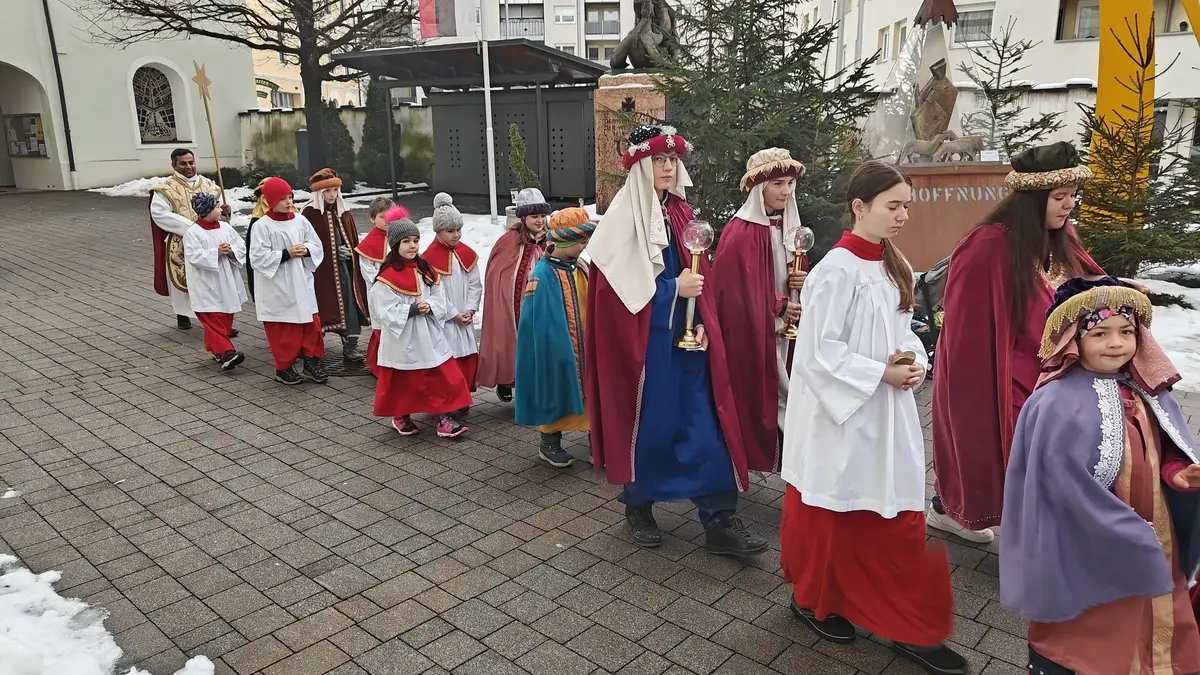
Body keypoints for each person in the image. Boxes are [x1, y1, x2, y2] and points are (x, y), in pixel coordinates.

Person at [779, 161, 966, 675]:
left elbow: (904, 329)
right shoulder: (834, 271)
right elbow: (817, 353)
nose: (903, 215)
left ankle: (902, 617)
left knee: (891, 504)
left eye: (907, 206)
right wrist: (879, 373)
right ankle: (815, 600)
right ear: (859, 207)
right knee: (835, 507)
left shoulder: (893, 263)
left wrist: (914, 360)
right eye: (893, 206)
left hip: (886, 410)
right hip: (839, 415)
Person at [1001, 276, 1200, 675]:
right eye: (1100, 333)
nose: (1116, 343)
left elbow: (1165, 448)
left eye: (1127, 332)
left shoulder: (1148, 392)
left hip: (1158, 532)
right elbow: (1060, 485)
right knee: (1097, 620)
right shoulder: (1054, 402)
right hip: (1088, 539)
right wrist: (1123, 530)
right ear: (1074, 340)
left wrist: (1178, 473)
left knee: (1155, 608)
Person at [585, 124, 767, 556]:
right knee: (653, 428)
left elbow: (701, 274)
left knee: (707, 426)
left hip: (690, 348)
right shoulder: (620, 222)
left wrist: (701, 320)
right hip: (647, 352)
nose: (668, 167)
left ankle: (720, 518)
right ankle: (639, 504)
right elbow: (613, 297)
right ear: (641, 165)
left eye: (672, 160)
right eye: (659, 160)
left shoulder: (682, 213)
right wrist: (671, 291)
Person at [929, 141, 1111, 543]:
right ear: (1032, 200)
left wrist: (1119, 292)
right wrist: (972, 394)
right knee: (994, 452)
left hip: (1055, 371)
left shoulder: (1062, 235)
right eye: (1059, 197)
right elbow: (965, 335)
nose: (1069, 206)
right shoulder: (986, 245)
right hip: (1004, 370)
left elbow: (1086, 283)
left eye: (1073, 196)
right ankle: (953, 510)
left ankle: (1041, 536)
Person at [712, 147, 808, 471]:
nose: (786, 191)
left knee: (790, 389)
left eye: (790, 183)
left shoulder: (789, 228)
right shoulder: (739, 233)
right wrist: (778, 307)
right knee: (772, 393)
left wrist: (801, 281)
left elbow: (791, 273)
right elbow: (733, 294)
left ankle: (794, 460)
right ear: (759, 188)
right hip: (759, 331)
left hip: (785, 331)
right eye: (778, 183)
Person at [370, 210, 472, 439]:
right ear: (395, 244)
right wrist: (412, 310)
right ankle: (400, 415)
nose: (412, 246)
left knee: (440, 375)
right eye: (406, 241)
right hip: (404, 337)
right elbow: (384, 309)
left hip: (428, 333)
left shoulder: (424, 268)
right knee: (404, 379)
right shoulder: (387, 277)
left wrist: (431, 306)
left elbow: (439, 295)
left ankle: (442, 417)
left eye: (415, 240)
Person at [514, 207, 595, 468]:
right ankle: (549, 443)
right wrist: (554, 347)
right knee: (555, 390)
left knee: (592, 393)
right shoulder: (542, 275)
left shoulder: (581, 267)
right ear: (566, 242)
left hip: (585, 345)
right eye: (581, 242)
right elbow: (535, 321)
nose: (584, 246)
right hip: (558, 349)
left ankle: (597, 440)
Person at [248, 177, 328, 385]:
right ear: (270, 201)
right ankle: (284, 367)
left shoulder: (300, 220)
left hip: (301, 280)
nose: (288, 202)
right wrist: (286, 253)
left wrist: (307, 249)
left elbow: (316, 244)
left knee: (311, 325)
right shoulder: (262, 226)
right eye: (283, 198)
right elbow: (257, 257)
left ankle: (312, 360)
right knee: (284, 329)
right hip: (278, 285)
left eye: (290, 197)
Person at [478, 187, 552, 402]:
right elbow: (497, 275)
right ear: (523, 217)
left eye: (542, 216)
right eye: (534, 216)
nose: (540, 221)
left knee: (541, 345)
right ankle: (507, 379)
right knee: (513, 342)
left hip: (542, 303)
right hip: (516, 304)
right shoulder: (509, 241)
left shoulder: (550, 239)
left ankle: (537, 389)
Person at [150, 148, 229, 331]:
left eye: (191, 162)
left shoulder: (209, 185)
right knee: (184, 278)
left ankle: (219, 321)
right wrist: (192, 228)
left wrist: (224, 211)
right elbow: (159, 214)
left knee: (210, 279)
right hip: (181, 241)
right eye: (183, 163)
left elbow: (217, 209)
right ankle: (183, 314)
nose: (188, 166)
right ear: (174, 165)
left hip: (209, 241)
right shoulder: (166, 189)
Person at [300, 168, 370, 362]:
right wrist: (332, 252)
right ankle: (313, 347)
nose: (332, 195)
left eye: (335, 190)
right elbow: (307, 243)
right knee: (322, 303)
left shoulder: (343, 211)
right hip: (322, 272)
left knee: (349, 303)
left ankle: (350, 345)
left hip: (345, 270)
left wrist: (350, 252)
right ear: (319, 192)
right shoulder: (310, 213)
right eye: (327, 191)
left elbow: (352, 238)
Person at [422, 193, 482, 420]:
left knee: (465, 358)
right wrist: (454, 314)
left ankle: (462, 395)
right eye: (450, 230)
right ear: (438, 231)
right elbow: (433, 294)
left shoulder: (466, 254)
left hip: (464, 316)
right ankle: (446, 401)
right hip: (445, 321)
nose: (456, 234)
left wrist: (470, 309)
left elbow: (475, 284)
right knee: (447, 361)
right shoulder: (428, 259)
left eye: (458, 229)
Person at [182, 192, 247, 371]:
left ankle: (217, 349)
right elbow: (194, 256)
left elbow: (241, 245)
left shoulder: (225, 228)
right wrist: (215, 252)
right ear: (206, 211)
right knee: (211, 317)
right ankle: (226, 352)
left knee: (225, 314)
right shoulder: (193, 233)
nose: (220, 209)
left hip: (226, 279)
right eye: (216, 207)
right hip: (206, 282)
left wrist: (231, 250)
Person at [357, 197, 397, 378]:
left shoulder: (400, 236)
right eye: (382, 216)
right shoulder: (368, 245)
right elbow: (369, 273)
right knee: (382, 328)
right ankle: (379, 365)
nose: (387, 220)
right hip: (379, 292)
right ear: (373, 219)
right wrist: (389, 282)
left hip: (401, 290)